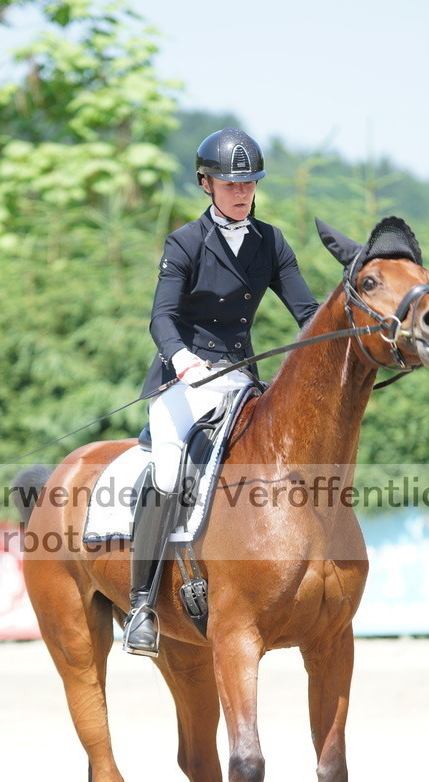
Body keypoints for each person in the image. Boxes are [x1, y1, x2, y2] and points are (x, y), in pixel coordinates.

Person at [123, 127, 319, 657]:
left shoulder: (272, 242)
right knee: (167, 469)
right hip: (183, 379)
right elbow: (161, 319)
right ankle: (142, 602)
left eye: (250, 182)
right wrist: (182, 358)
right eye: (231, 184)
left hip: (239, 380)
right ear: (207, 183)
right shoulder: (184, 242)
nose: (242, 192)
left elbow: (306, 313)